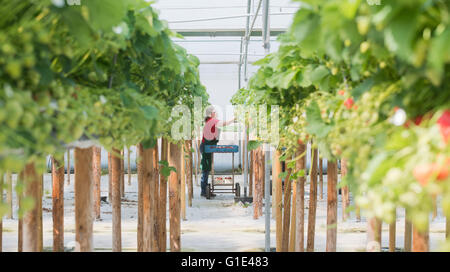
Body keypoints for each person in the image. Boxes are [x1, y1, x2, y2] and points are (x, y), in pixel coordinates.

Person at [200, 106, 236, 197]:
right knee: (206, 168)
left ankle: (205, 190)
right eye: (214, 112)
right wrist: (233, 120)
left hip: (207, 146)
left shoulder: (210, 121)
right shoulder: (212, 120)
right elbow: (223, 124)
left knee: (207, 168)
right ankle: (204, 191)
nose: (216, 113)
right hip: (206, 147)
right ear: (211, 114)